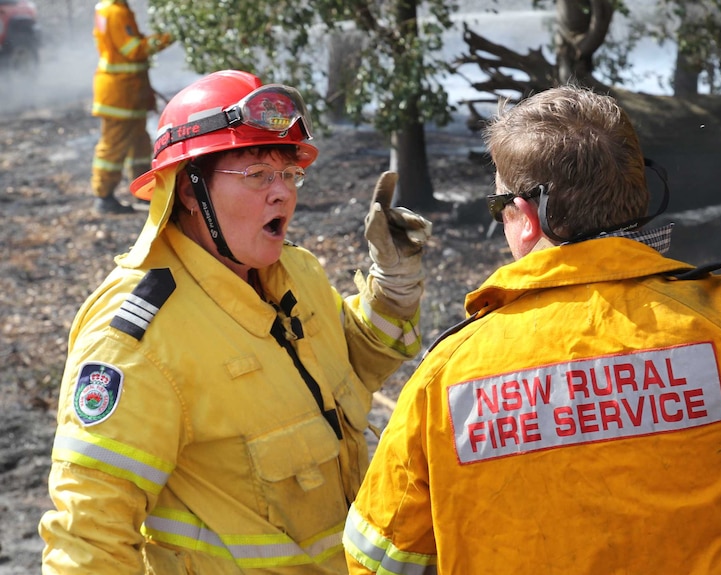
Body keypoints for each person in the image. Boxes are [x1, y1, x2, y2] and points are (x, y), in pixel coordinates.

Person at [342, 84, 721, 575]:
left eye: (499, 206)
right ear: (638, 194)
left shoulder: (444, 380)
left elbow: (376, 558)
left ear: (526, 216)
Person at [40, 69, 432, 574]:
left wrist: (393, 287)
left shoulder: (296, 272)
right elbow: (88, 543)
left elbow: (345, 368)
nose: (283, 195)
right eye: (256, 175)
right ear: (188, 189)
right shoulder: (137, 340)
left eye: (289, 174)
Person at [90, 0, 173, 214]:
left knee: (140, 145)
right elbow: (134, 50)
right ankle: (103, 196)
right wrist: (166, 38)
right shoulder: (116, 12)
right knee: (113, 146)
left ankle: (144, 192)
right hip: (120, 94)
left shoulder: (111, 8)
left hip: (130, 91)